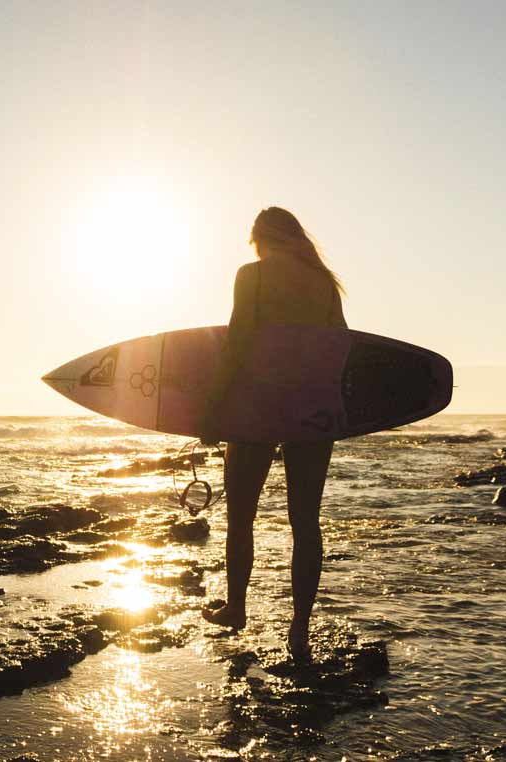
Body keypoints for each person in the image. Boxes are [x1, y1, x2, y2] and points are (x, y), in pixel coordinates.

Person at [198, 207, 346, 661]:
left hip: (255, 407)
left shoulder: (253, 275)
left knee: (241, 516)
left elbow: (237, 342)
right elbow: (339, 346)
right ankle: (299, 629)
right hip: (313, 412)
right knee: (306, 522)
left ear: (259, 238)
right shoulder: (324, 283)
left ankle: (237, 608)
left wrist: (212, 409)